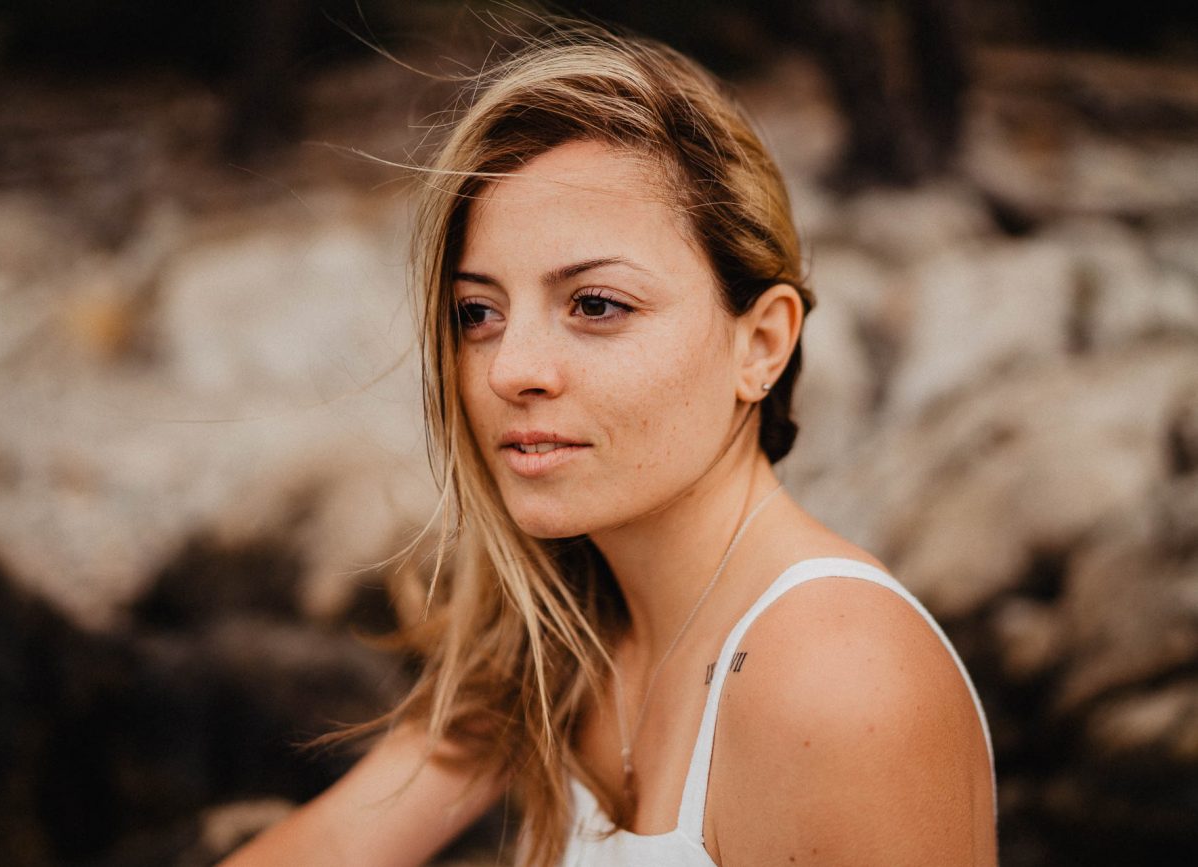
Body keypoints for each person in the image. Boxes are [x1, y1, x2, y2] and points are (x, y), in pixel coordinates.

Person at [222, 21, 997, 867]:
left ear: (761, 345)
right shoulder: (561, 639)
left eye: (595, 304)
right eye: (478, 313)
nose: (509, 368)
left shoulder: (840, 679)